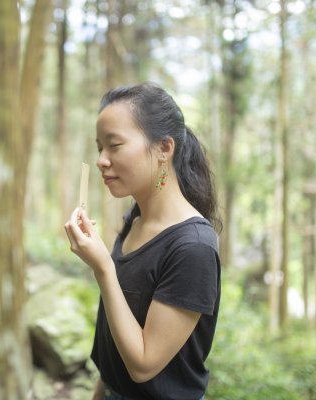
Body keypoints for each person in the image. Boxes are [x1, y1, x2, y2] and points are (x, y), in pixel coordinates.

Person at [64, 82, 221, 400]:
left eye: (114, 145)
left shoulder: (193, 247)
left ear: (164, 148)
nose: (101, 160)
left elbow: (144, 365)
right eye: (99, 148)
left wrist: (104, 269)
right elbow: (116, 347)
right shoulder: (135, 218)